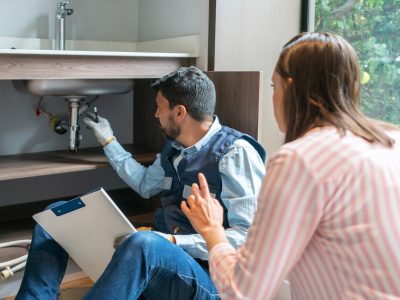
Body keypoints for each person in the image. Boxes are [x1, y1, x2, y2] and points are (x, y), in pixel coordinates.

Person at [16, 66, 266, 300]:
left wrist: (172, 242)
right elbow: (146, 184)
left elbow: (248, 239)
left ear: (179, 113)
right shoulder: (175, 147)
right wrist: (108, 140)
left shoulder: (235, 153)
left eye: (159, 107)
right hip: (161, 261)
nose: (155, 114)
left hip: (207, 280)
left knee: (144, 243)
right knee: (56, 215)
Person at [182, 33, 400, 299]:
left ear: (291, 87)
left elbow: (242, 292)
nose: (273, 97)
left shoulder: (299, 159)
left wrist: (212, 230)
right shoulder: (392, 142)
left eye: (274, 86)